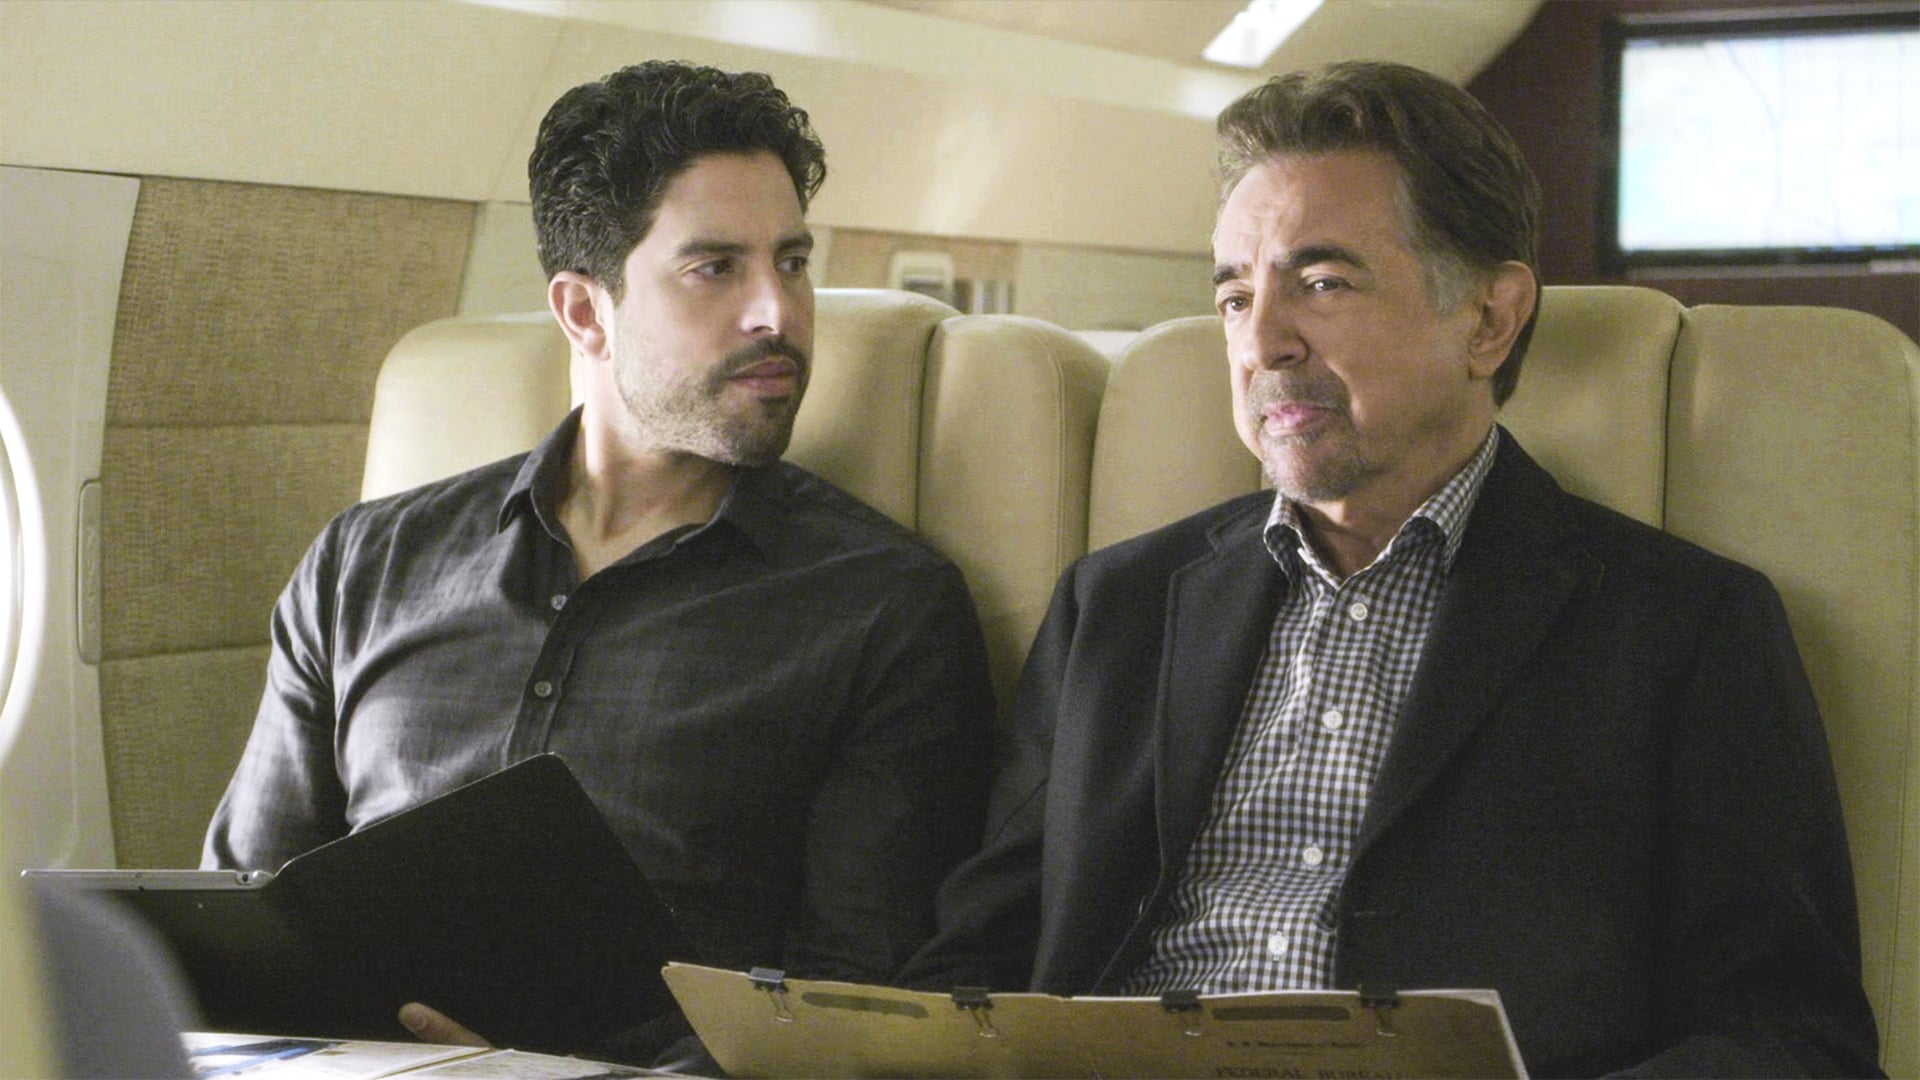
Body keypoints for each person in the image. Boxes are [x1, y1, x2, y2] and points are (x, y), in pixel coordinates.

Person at [901, 61, 1881, 1077]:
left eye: (1323, 284)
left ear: (1489, 319)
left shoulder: (1685, 627)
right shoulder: (1114, 607)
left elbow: (1794, 1039)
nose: (1262, 342)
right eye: (1234, 296)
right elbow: (974, 967)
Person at [205, 60, 994, 1064]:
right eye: (716, 268)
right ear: (584, 312)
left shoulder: (881, 606)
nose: (778, 312)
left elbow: (849, 1005)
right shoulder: (364, 564)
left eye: (792, 262)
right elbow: (239, 915)